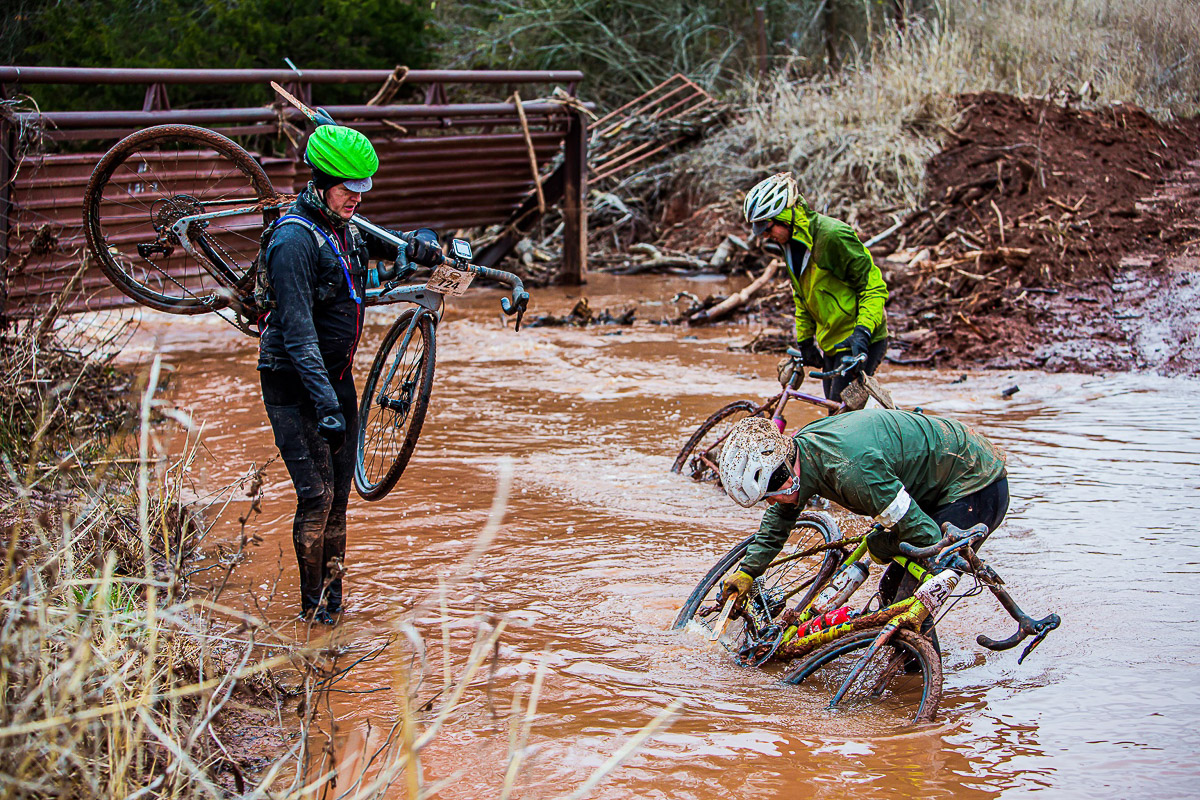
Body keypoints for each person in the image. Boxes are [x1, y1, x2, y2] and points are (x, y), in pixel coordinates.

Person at [256, 123, 442, 624]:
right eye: (347, 189)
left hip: (335, 378)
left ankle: (333, 612)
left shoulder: (346, 228)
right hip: (293, 383)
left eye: (362, 190)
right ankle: (310, 613)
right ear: (319, 180)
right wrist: (325, 406)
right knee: (315, 497)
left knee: (339, 500)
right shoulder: (294, 242)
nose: (356, 199)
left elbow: (393, 243)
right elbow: (296, 337)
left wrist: (419, 242)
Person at [715, 411, 1009, 640]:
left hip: (974, 485)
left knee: (905, 604)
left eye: (770, 496)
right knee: (890, 585)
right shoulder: (798, 453)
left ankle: (915, 685)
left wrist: (883, 545)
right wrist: (747, 572)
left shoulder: (852, 473)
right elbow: (779, 521)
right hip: (929, 483)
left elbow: (928, 537)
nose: (771, 504)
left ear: (784, 476)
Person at [742, 173, 890, 401]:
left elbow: (873, 287)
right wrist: (805, 341)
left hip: (858, 338)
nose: (766, 236)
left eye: (768, 228)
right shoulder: (791, 246)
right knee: (834, 411)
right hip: (831, 341)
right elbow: (802, 297)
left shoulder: (832, 236)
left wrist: (862, 333)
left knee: (839, 420)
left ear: (785, 216)